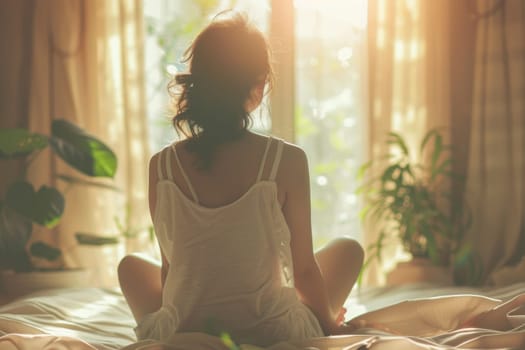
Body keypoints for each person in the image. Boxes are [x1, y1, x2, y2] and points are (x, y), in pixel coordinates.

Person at [117, 11, 363, 347]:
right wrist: (329, 329)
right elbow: (303, 270)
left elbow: (170, 270)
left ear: (198, 83)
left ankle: (192, 330)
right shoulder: (286, 159)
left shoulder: (161, 167)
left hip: (189, 325)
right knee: (348, 249)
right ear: (258, 87)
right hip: (269, 328)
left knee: (130, 267)